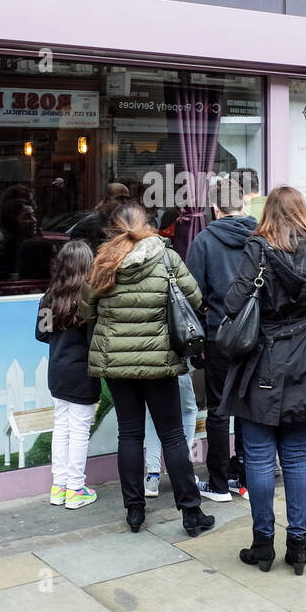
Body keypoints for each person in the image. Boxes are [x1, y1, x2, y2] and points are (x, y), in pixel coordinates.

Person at [222, 186, 306, 574]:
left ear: (268, 212)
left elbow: (235, 303)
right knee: (295, 455)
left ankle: (262, 544)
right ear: (302, 211)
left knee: (257, 456)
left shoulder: (259, 248)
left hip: (264, 356)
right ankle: (299, 545)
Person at [80, 201, 215, 536]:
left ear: (113, 228)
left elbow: (85, 311)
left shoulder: (103, 263)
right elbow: (196, 299)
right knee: (172, 435)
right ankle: (190, 512)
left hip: (117, 362)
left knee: (129, 434)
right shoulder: (167, 257)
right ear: (147, 224)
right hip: (160, 362)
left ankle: (135, 512)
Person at [184, 177, 255, 501]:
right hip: (255, 333)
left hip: (218, 335)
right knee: (250, 407)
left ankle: (217, 482)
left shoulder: (203, 241)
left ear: (214, 208)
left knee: (217, 409)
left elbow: (193, 294)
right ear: (243, 204)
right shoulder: (260, 237)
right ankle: (246, 475)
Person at [35, 240, 99, 510]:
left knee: (61, 428)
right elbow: (93, 340)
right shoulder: (87, 298)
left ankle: (58, 487)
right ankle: (75, 489)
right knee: (80, 431)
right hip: (83, 373)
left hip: (57, 373)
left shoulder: (49, 298)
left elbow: (42, 334)